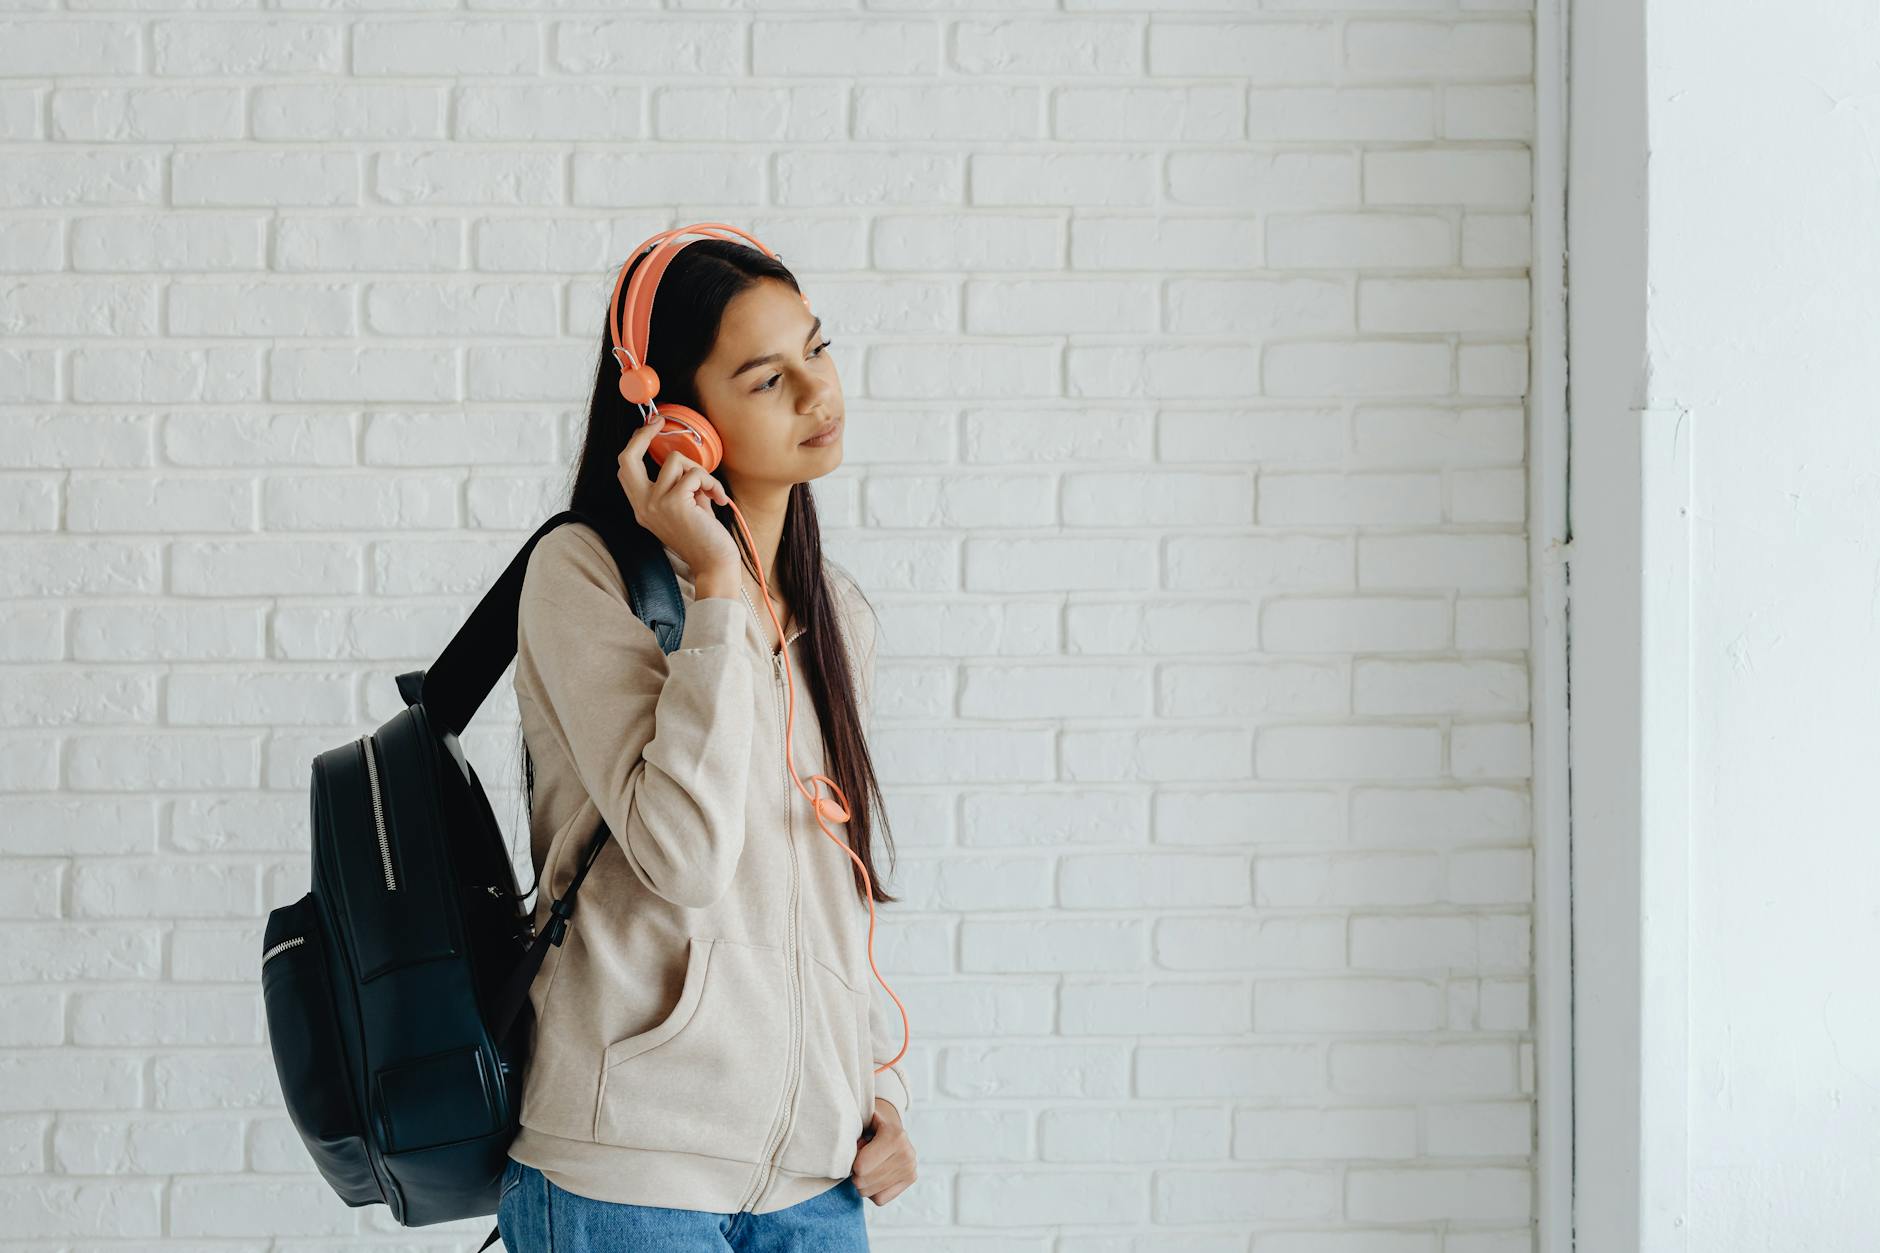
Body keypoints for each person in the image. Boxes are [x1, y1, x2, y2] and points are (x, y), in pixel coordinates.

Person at [498, 237, 917, 1251]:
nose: (818, 391)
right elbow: (683, 858)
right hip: (632, 1177)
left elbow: (823, 891)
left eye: (817, 351)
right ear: (675, 419)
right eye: (767, 377)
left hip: (814, 1186)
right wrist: (719, 589)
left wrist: (871, 1087)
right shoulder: (583, 577)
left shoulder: (835, 616)